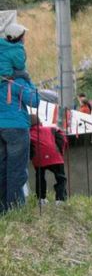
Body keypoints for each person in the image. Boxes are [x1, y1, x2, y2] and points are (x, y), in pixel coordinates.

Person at [0, 74, 39, 214]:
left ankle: (2, 210)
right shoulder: (17, 80)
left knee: (2, 169)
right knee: (16, 170)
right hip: (16, 127)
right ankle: (15, 210)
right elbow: (34, 101)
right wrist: (29, 81)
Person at [29, 114, 67, 205]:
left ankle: (41, 199)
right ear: (40, 122)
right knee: (61, 178)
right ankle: (60, 199)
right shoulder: (51, 129)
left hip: (39, 159)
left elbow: (28, 147)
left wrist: (32, 157)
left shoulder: (28, 133)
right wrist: (61, 151)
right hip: (55, 156)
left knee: (40, 177)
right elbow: (62, 138)